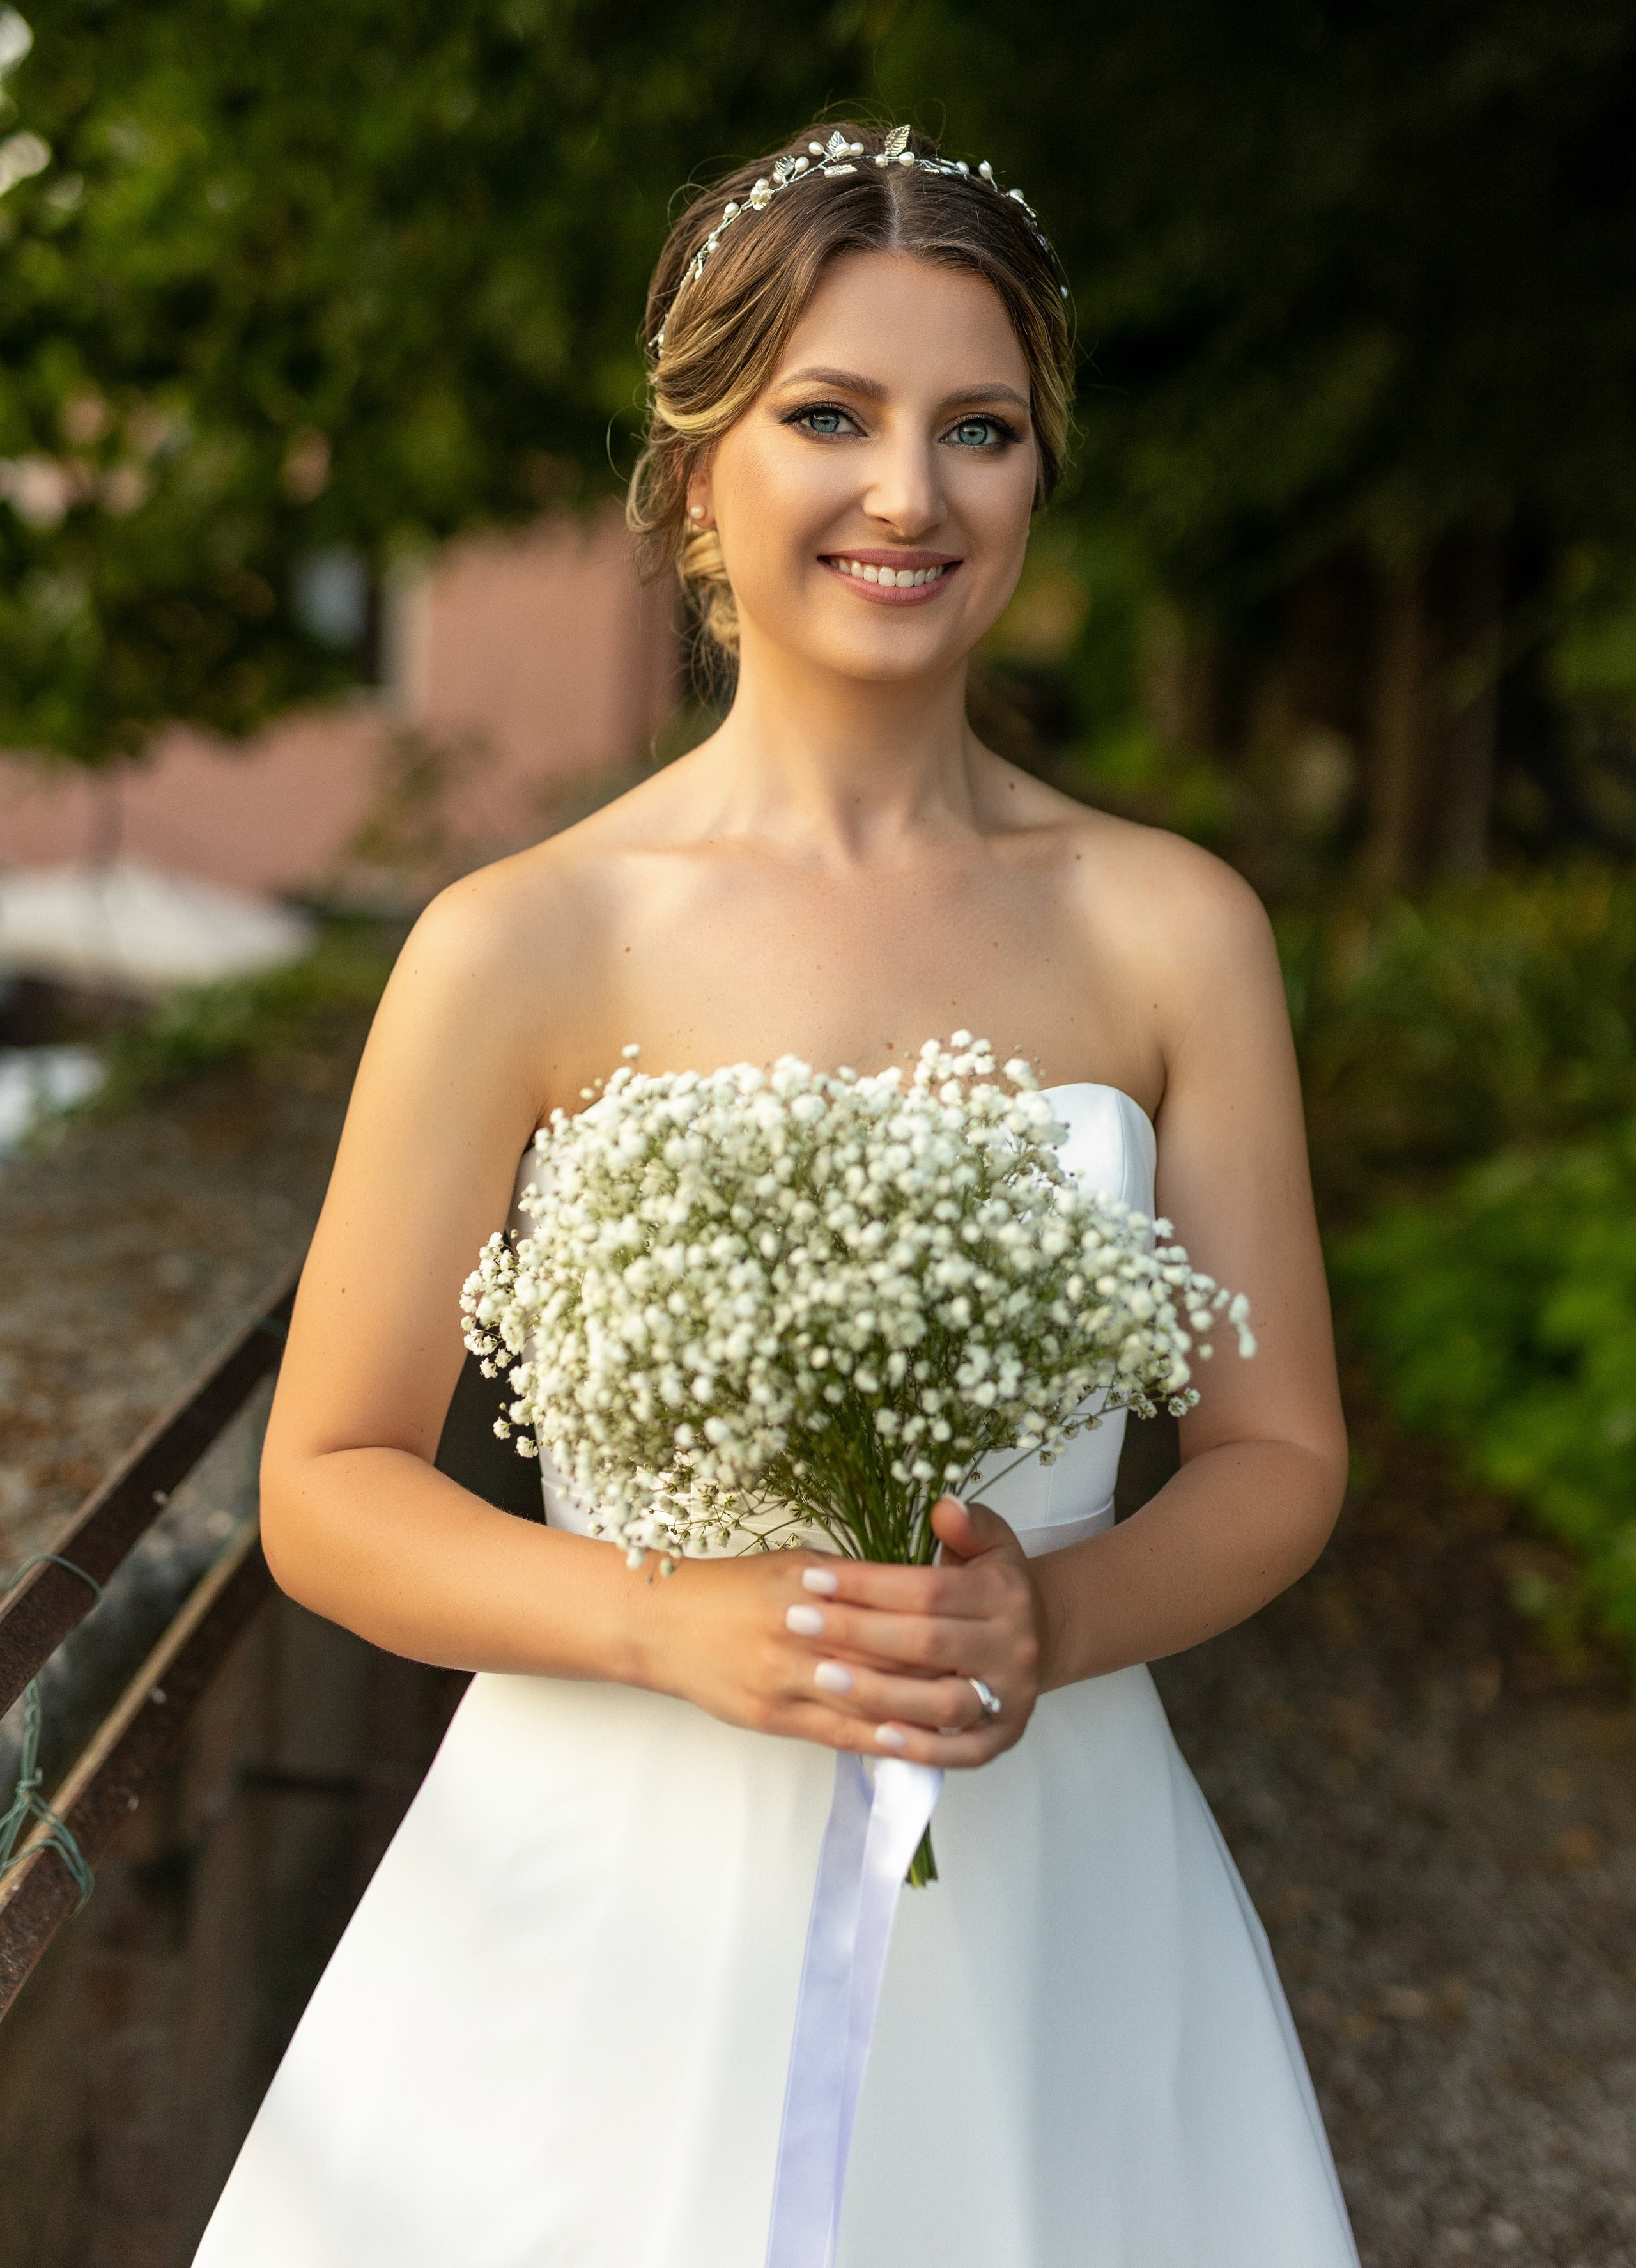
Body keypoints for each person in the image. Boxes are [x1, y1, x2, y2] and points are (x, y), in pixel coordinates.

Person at [193, 121, 1359, 2267]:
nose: (910, 493)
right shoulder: (518, 942)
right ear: (697, 462)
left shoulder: (1173, 929)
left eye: (979, 429)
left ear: (1038, 471)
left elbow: (1278, 1453)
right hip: (597, 1900)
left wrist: (1053, 1620)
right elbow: (329, 1483)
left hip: (1060, 1887)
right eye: (832, 415)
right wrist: (662, 1619)